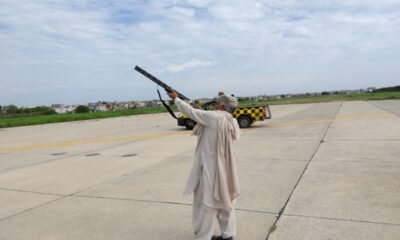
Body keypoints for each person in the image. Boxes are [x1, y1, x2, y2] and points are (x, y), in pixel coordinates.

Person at [167, 90, 241, 240]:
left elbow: (189, 111)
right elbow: (205, 116)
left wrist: (176, 99)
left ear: (221, 106)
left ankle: (203, 237)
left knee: (206, 205)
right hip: (227, 170)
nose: (214, 105)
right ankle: (228, 235)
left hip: (210, 170)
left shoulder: (213, 117)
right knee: (227, 203)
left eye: (216, 103)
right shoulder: (231, 120)